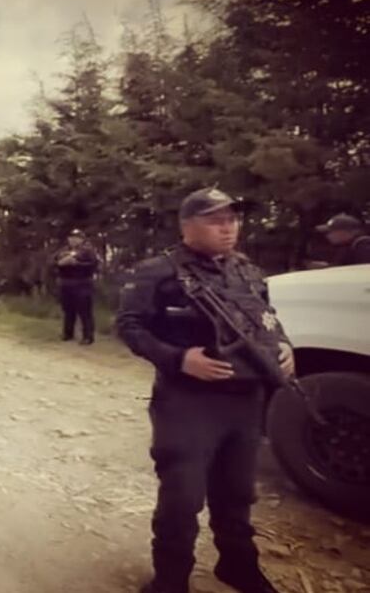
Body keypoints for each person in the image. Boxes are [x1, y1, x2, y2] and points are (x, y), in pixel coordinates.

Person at [116, 187, 294, 593]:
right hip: (187, 403)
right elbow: (129, 326)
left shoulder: (247, 271)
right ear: (187, 227)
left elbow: (267, 321)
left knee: (236, 496)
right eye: (215, 220)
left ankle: (238, 567)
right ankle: (171, 579)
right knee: (182, 499)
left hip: (246, 401)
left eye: (232, 219)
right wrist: (179, 359)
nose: (228, 227)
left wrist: (285, 347)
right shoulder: (158, 271)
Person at [53, 228, 99, 344]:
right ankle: (68, 333)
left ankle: (88, 336)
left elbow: (93, 265)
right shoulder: (63, 250)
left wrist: (77, 264)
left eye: (77, 238)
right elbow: (53, 262)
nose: (73, 240)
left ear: (82, 239)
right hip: (66, 283)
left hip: (82, 283)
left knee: (85, 311)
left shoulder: (88, 251)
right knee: (68, 310)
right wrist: (60, 263)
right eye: (71, 237)